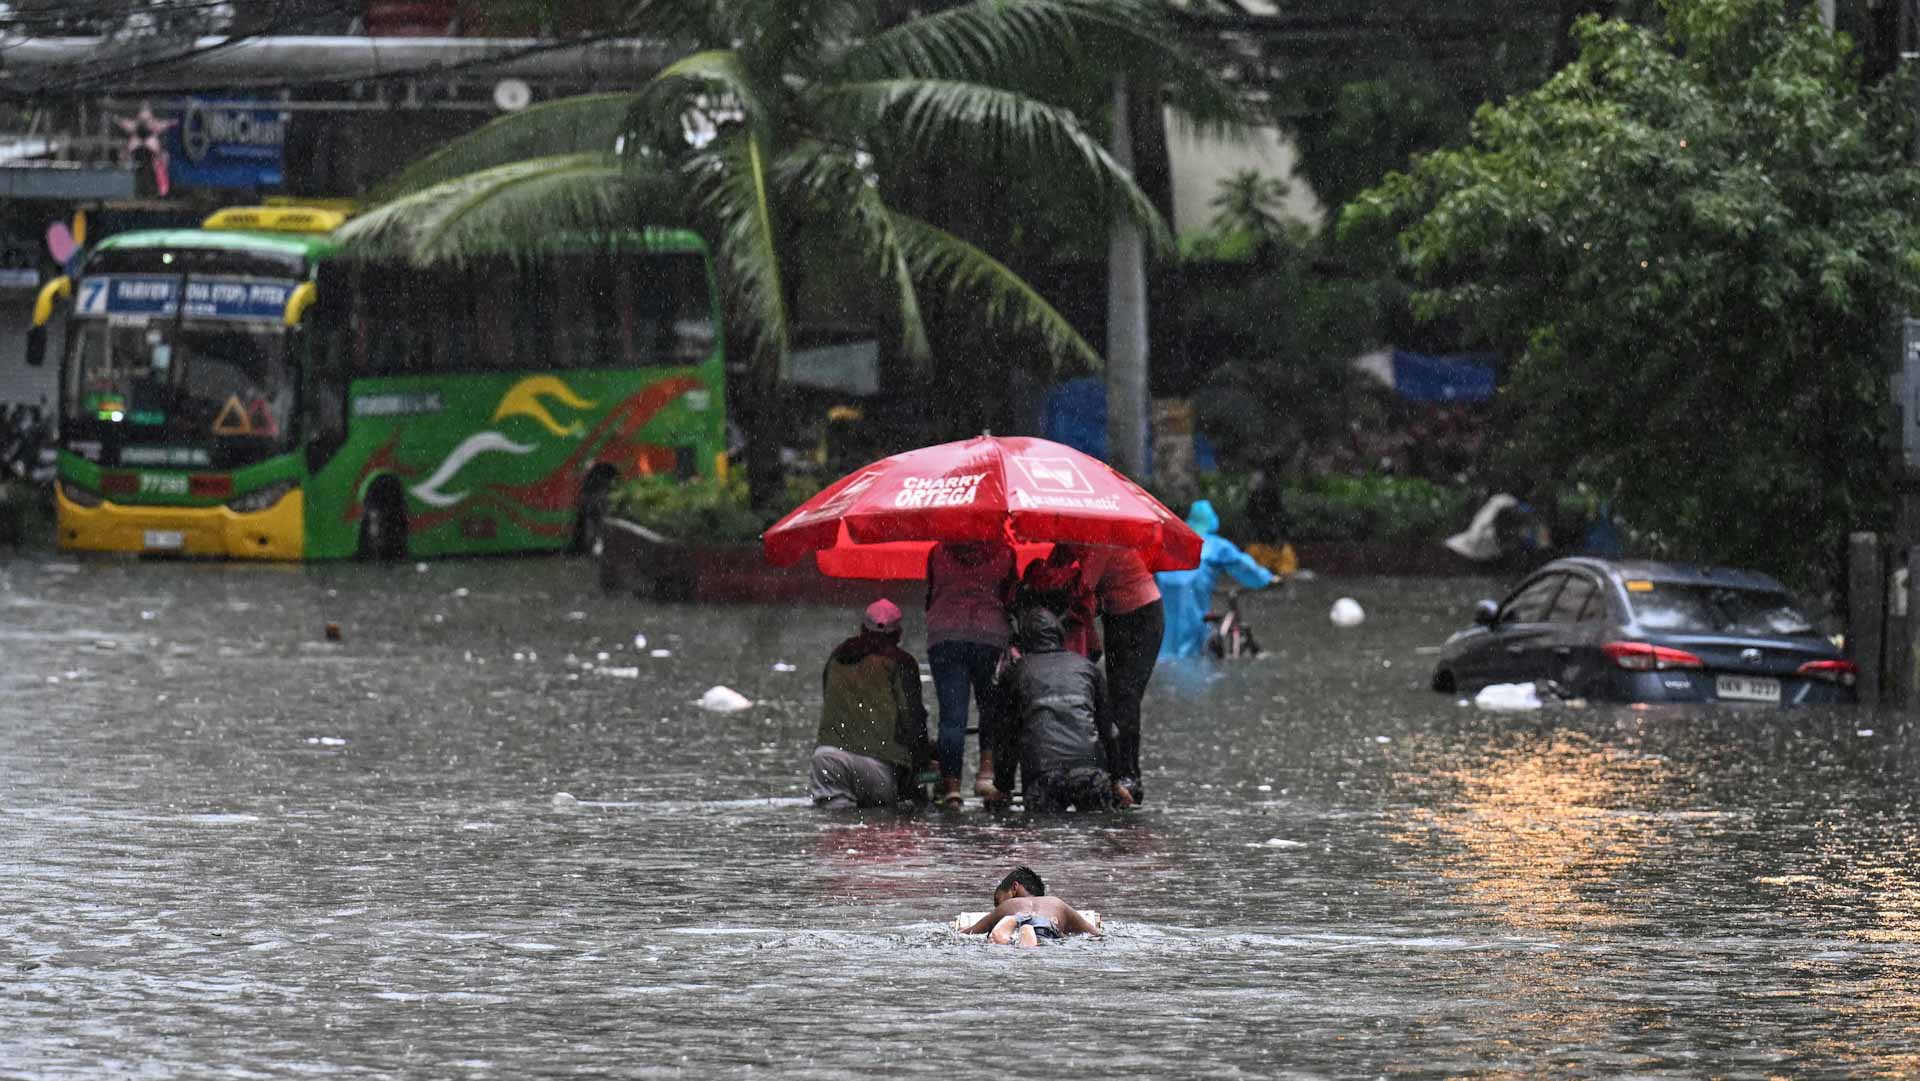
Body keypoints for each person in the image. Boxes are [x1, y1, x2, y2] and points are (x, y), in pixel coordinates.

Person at [989, 608, 1132, 812]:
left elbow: (1006, 735)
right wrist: (1116, 780)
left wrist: (1002, 787)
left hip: (1043, 777)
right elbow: (1109, 730)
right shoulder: (1087, 668)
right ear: (1059, 634)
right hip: (1090, 775)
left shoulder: (1016, 673)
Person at [809, 599, 932, 809]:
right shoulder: (901, 663)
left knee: (837, 828)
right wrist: (922, 767)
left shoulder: (837, 656)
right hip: (877, 768)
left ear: (862, 628)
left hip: (826, 759)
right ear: (898, 634)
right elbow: (912, 720)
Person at [925, 540, 1016, 808]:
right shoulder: (1006, 552)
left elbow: (930, 594)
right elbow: (1011, 597)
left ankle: (952, 787)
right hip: (990, 637)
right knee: (991, 709)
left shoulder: (938, 552)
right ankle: (986, 776)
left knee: (952, 717)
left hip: (946, 636)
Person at [1074, 545, 1162, 805]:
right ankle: (1117, 769)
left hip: (1142, 615)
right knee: (1114, 696)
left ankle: (1129, 775)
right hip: (1116, 617)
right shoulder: (1085, 540)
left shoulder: (1100, 539)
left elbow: (1083, 587)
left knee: (1127, 695)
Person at [1156, 499, 1275, 661]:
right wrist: (1267, 579)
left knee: (1165, 646)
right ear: (1212, 521)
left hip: (1163, 601)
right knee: (1192, 648)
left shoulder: (1171, 542)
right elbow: (1244, 567)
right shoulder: (1215, 545)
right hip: (1192, 600)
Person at [957, 866, 1102, 945]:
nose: (997, 907)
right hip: (1047, 926)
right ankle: (1029, 937)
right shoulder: (1056, 903)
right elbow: (1095, 934)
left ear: (1014, 887)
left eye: (997, 901)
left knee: (1007, 943)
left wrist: (962, 929)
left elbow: (969, 934)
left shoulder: (1010, 905)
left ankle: (1013, 931)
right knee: (1046, 942)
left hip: (1015, 920)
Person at [1013, 543, 1100, 658]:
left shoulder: (1029, 588)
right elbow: (1090, 607)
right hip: (1074, 648)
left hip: (1043, 650)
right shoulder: (1075, 581)